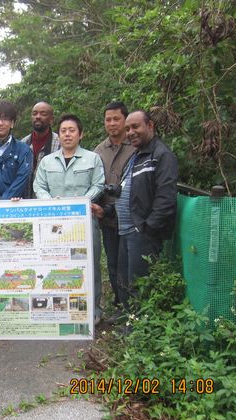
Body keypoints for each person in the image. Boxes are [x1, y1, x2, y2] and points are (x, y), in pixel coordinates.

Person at [33, 114, 105, 323]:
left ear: (81, 134)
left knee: (89, 264)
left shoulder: (92, 159)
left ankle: (93, 310)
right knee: (57, 264)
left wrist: (81, 202)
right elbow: (39, 186)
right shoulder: (47, 161)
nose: (67, 134)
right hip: (54, 223)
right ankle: (61, 308)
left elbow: (98, 184)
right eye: (63, 131)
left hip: (84, 221)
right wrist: (51, 203)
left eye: (72, 130)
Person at [116, 109, 178, 310]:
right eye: (127, 129)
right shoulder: (136, 156)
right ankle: (128, 320)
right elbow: (128, 191)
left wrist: (147, 228)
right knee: (124, 281)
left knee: (140, 286)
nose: (130, 132)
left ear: (150, 125)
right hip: (126, 230)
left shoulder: (161, 155)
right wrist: (107, 210)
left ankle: (139, 324)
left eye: (135, 127)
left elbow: (166, 198)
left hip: (141, 232)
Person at [92, 102, 135, 308]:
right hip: (107, 217)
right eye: (108, 119)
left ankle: (133, 306)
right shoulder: (99, 150)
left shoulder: (135, 146)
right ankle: (119, 303)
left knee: (130, 264)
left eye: (116, 119)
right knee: (113, 262)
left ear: (125, 120)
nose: (112, 123)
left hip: (132, 217)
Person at [22, 101, 60, 197]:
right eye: (34, 113)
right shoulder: (23, 143)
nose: (38, 117)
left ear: (51, 119)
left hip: (51, 200)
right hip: (26, 201)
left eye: (43, 114)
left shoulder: (60, 143)